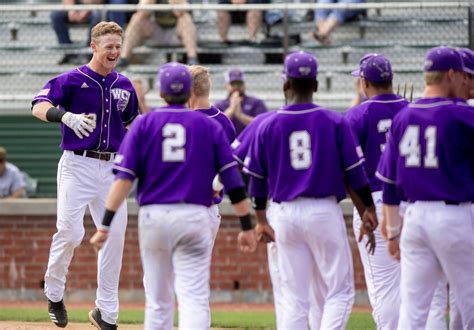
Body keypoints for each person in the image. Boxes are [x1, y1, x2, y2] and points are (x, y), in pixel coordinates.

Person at [89, 62, 257, 329]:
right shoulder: (211, 125)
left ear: (162, 92)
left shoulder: (145, 124)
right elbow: (233, 180)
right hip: (197, 213)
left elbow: (123, 179)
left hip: (155, 216)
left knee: (158, 300)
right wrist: (247, 224)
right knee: (194, 296)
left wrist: (105, 224)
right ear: (190, 91)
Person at [244, 51, 377, 329]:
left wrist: (259, 220)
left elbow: (256, 179)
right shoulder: (335, 121)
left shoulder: (266, 123)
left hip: (283, 213)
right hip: (324, 211)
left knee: (294, 297)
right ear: (316, 85)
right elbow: (356, 174)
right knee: (338, 292)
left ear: (285, 84)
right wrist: (367, 208)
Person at [31, 21, 139, 329]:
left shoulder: (124, 84)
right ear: (93, 46)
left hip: (113, 168)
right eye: (109, 47)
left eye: (118, 46)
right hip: (78, 165)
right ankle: (53, 292)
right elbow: (38, 106)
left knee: (114, 238)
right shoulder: (72, 79)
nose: (114, 52)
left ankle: (106, 312)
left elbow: (133, 124)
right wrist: (64, 115)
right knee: (70, 232)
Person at [376, 46, 474, 328]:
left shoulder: (403, 116)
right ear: (452, 74)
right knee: (469, 303)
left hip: (414, 220)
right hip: (453, 219)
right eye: (463, 76)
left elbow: (390, 185)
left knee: (414, 310)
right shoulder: (462, 115)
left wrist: (392, 232)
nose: (466, 82)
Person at [345, 54, 409, 328]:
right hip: (416, 202)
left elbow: (348, 170)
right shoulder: (413, 109)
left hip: (375, 202)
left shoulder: (356, 114)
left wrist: (364, 211)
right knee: (419, 288)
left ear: (364, 81)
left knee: (384, 287)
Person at [187, 64, 237, 241]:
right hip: (208, 207)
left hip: (176, 206)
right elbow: (232, 166)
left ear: (189, 90)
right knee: (196, 268)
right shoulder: (223, 120)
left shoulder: (178, 119)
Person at [118, 0, 198, 68]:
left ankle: (192, 59)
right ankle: (123, 58)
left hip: (177, 32)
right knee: (137, 17)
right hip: (156, 31)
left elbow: (180, 12)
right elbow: (142, 11)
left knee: (186, 18)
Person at [51, 0, 129, 65]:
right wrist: (71, 9)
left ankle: (89, 55)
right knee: (56, 15)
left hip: (95, 5)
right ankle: (69, 53)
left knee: (96, 15)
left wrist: (87, 8)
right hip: (77, 6)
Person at [214, 69, 268, 135]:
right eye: (233, 84)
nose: (236, 87)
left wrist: (240, 116)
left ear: (244, 85)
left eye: (239, 83)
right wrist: (232, 109)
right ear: (226, 86)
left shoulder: (256, 102)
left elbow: (263, 124)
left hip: (249, 142)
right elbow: (214, 125)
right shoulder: (220, 104)